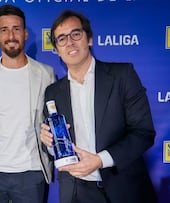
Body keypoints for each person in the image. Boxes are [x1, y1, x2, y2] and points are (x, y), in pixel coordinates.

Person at [40, 10, 157, 203]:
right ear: (57, 49)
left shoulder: (122, 75)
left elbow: (143, 133)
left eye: (75, 34)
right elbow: (55, 151)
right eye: (61, 38)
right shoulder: (52, 92)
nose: (69, 42)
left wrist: (100, 160)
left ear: (89, 39)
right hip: (76, 192)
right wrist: (50, 143)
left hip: (124, 189)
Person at [0, 4, 56, 203]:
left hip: (32, 172)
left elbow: (52, 120)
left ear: (25, 34)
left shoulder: (46, 73)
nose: (11, 35)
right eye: (4, 30)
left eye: (16, 29)